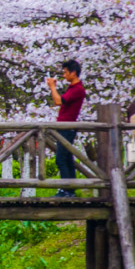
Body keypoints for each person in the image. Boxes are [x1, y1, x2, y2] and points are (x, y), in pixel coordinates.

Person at [46, 60, 86, 197]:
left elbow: (58, 101)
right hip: (65, 127)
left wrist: (52, 87)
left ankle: (65, 190)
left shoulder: (77, 90)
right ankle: (70, 189)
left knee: (61, 159)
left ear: (73, 73)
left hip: (67, 127)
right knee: (67, 158)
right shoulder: (73, 89)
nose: (64, 75)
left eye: (65, 72)